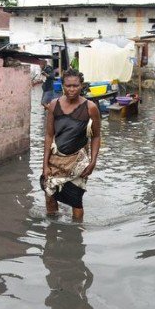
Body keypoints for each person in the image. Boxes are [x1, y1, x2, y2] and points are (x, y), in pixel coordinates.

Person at [42, 68, 101, 221]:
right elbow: (49, 135)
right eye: (68, 86)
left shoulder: (90, 108)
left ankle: (77, 235)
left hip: (77, 161)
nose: (72, 89)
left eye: (75, 85)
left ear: (81, 86)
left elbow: (96, 136)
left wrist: (93, 162)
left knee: (76, 201)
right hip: (55, 159)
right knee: (50, 194)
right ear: (63, 86)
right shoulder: (54, 105)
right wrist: (45, 165)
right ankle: (52, 230)